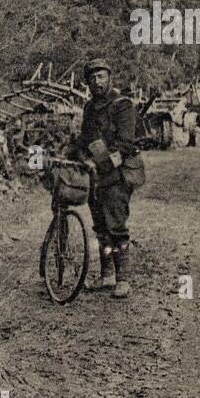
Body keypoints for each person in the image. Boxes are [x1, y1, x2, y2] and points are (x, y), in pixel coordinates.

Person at [74, 59, 145, 297]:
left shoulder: (122, 105)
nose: (97, 82)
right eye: (92, 78)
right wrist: (80, 156)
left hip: (119, 172)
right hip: (97, 174)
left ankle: (123, 279)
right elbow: (85, 139)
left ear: (110, 78)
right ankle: (107, 276)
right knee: (101, 227)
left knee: (116, 225)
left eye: (101, 76)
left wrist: (102, 163)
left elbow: (126, 143)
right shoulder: (89, 108)